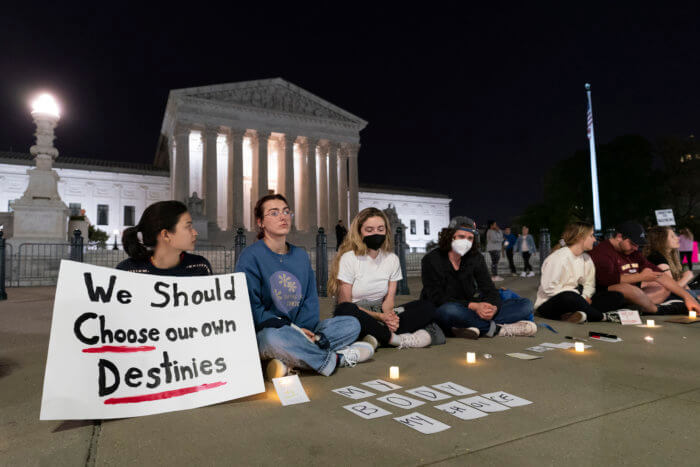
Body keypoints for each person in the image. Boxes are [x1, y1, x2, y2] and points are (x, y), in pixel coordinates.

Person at [235, 194, 373, 379]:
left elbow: (310, 300)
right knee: (272, 339)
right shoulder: (250, 256)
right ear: (260, 222)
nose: (283, 217)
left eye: (286, 211)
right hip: (269, 331)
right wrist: (294, 330)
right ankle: (335, 359)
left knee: (351, 324)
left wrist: (304, 330)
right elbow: (252, 308)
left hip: (303, 331)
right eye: (274, 213)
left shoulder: (300, 255)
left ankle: (289, 360)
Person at [329, 208, 437, 350]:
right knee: (344, 310)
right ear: (359, 232)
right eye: (369, 229)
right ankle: (395, 339)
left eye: (380, 229)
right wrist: (379, 317)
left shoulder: (392, 259)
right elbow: (345, 303)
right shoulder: (349, 258)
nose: (376, 233)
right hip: (357, 313)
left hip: (381, 312)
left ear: (386, 231)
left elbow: (389, 301)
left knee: (426, 306)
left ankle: (376, 336)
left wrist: (390, 317)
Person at [420, 218, 537, 338]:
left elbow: (489, 289)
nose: (466, 241)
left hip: (472, 310)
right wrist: (474, 306)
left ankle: (471, 326)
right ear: (450, 236)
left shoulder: (475, 257)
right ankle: (497, 329)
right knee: (449, 311)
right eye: (461, 236)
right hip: (449, 308)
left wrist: (493, 308)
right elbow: (436, 297)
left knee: (525, 304)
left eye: (470, 238)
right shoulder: (431, 260)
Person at [589, 221, 700, 317]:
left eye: (638, 245)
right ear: (619, 237)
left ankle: (637, 308)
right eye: (633, 243)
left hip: (636, 297)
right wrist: (640, 277)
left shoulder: (633, 252)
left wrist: (687, 297)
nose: (636, 248)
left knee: (664, 287)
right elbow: (606, 280)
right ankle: (656, 310)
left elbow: (660, 275)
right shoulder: (602, 252)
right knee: (626, 288)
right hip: (606, 295)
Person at [535, 221, 617, 323]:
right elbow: (549, 289)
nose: (594, 239)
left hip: (576, 300)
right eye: (591, 235)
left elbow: (589, 285)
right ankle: (602, 317)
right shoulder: (558, 258)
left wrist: (583, 297)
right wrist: (579, 298)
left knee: (616, 296)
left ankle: (577, 315)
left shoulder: (587, 259)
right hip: (549, 304)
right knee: (569, 296)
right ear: (580, 237)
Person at [117, 200, 213, 276]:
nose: (195, 233)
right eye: (188, 227)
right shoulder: (127, 271)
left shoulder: (200, 266)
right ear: (166, 235)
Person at [644, 226, 696, 295]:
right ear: (662, 240)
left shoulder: (671, 255)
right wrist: (686, 277)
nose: (678, 238)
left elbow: (682, 285)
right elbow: (670, 290)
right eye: (672, 236)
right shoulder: (657, 258)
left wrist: (694, 297)